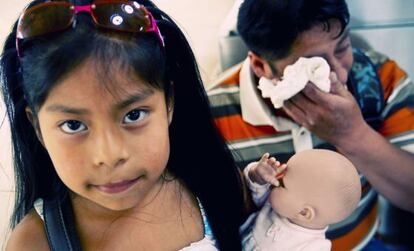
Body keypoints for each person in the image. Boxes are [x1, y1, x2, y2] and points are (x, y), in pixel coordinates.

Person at [1, 0, 248, 250]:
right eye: (73, 125)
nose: (110, 155)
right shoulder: (34, 244)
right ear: (37, 127)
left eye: (134, 115)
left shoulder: (217, 184)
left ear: (169, 102)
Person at [207, 0, 414, 250]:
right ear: (261, 66)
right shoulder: (211, 114)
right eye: (314, 65)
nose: (339, 74)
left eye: (342, 48)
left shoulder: (381, 80)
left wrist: (352, 135)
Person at [242, 149, 361, 251]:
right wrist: (257, 176)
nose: (275, 178)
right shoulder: (276, 206)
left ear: (303, 212)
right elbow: (255, 190)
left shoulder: (313, 247)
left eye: (282, 184)